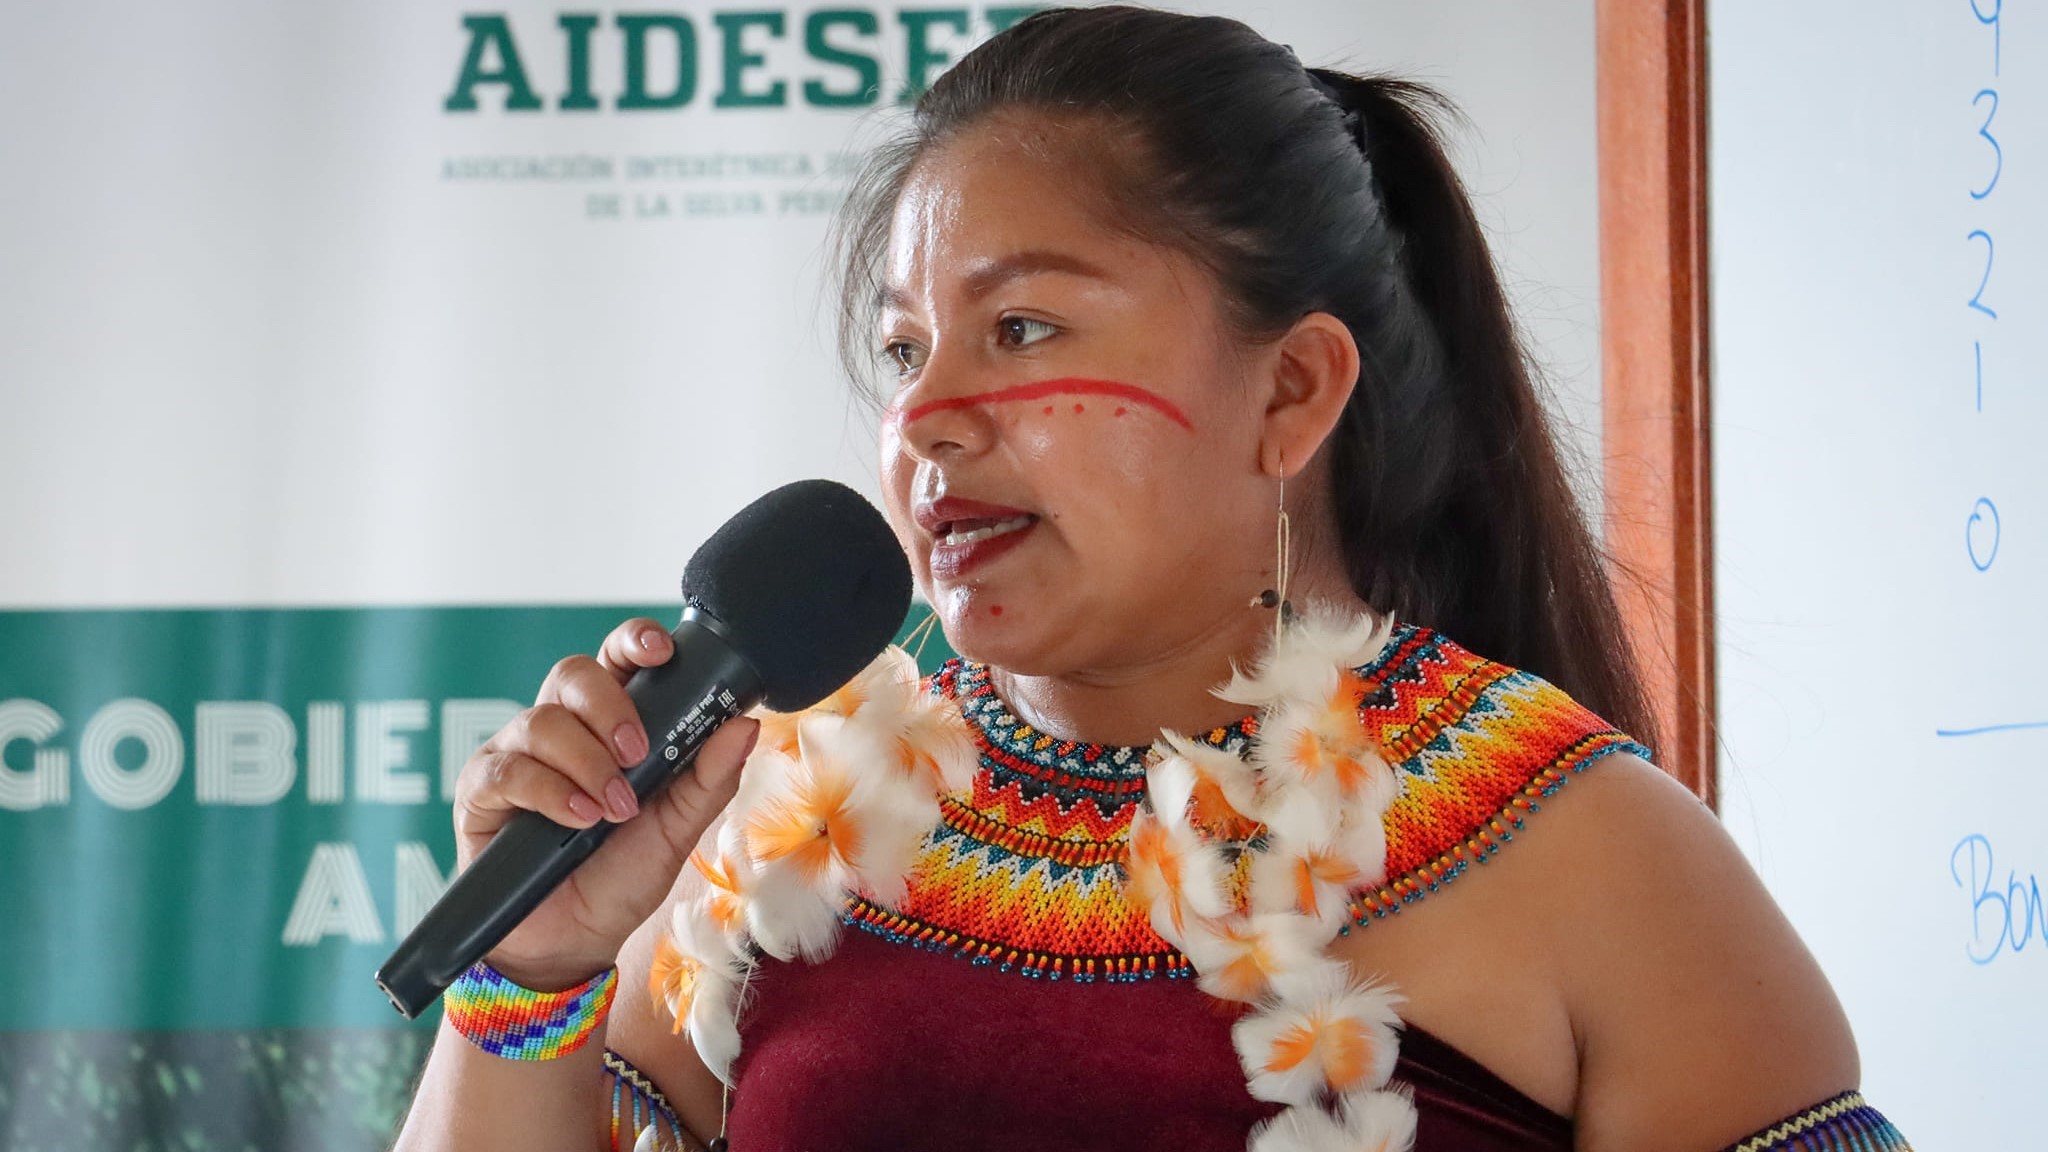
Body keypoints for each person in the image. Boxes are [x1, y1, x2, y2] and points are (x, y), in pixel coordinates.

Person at [393, 7, 1912, 1151]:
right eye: (906, 350)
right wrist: (535, 971)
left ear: (1294, 392)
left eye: (1028, 330)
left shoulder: (1593, 856)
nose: (925, 423)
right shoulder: (772, 824)